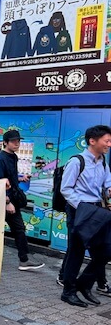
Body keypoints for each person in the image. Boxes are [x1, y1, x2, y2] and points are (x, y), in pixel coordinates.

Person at [59, 125, 111, 308]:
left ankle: (84, 284)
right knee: (76, 252)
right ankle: (68, 292)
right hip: (80, 211)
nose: (109, 144)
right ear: (92, 141)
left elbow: (107, 185)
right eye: (107, 141)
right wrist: (82, 207)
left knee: (105, 251)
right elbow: (65, 189)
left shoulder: (103, 161)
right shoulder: (77, 161)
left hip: (98, 211)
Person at [0, 130, 44, 271]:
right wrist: (7, 203)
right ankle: (21, 260)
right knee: (0, 231)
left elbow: (8, 177)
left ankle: (24, 260)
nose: (16, 143)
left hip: (12, 199)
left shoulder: (14, 157)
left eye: (18, 141)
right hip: (3, 202)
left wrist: (19, 178)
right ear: (5, 142)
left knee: (17, 229)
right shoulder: (0, 160)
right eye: (13, 141)